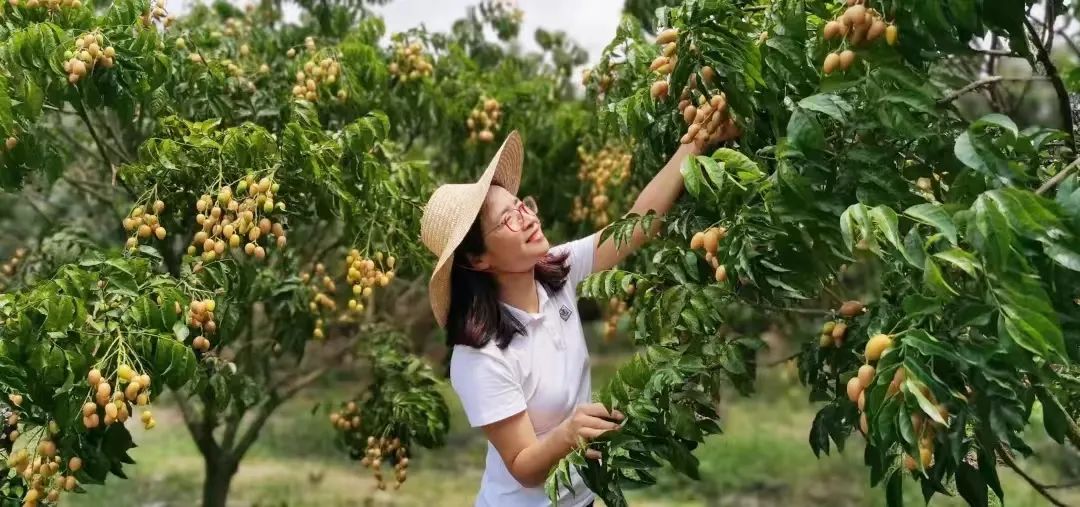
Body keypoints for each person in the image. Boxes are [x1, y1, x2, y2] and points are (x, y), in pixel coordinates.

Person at [418, 127, 736, 507]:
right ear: (478, 259)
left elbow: (637, 224)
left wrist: (697, 140)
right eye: (508, 219)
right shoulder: (479, 356)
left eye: (521, 204)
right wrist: (569, 433)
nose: (528, 217)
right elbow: (523, 466)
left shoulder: (555, 274)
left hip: (581, 497)